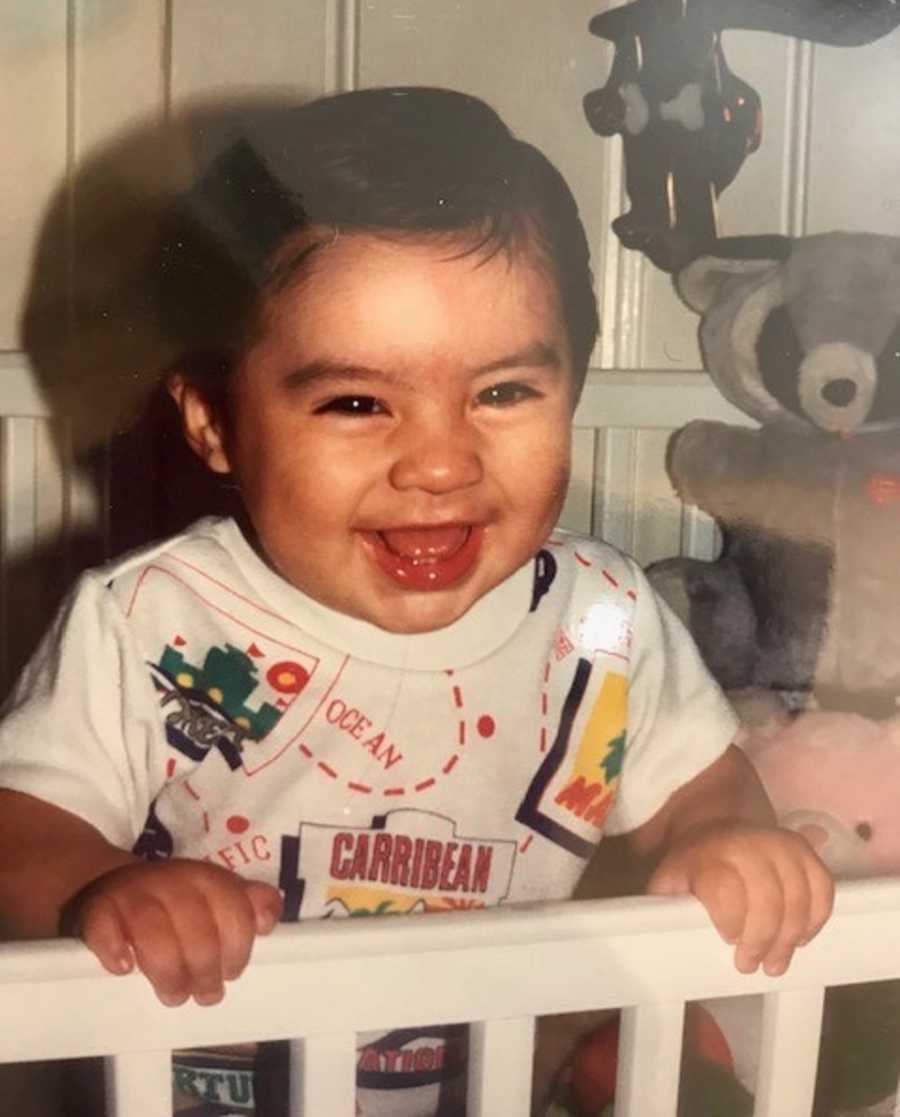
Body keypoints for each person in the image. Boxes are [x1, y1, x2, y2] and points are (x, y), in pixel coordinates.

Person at [0, 87, 832, 1117]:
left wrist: (725, 838)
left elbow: (702, 785)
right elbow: (22, 825)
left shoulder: (604, 619)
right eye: (356, 402)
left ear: (571, 387)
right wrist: (102, 888)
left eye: (503, 393)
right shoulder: (152, 619)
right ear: (214, 422)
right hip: (195, 1087)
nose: (440, 463)